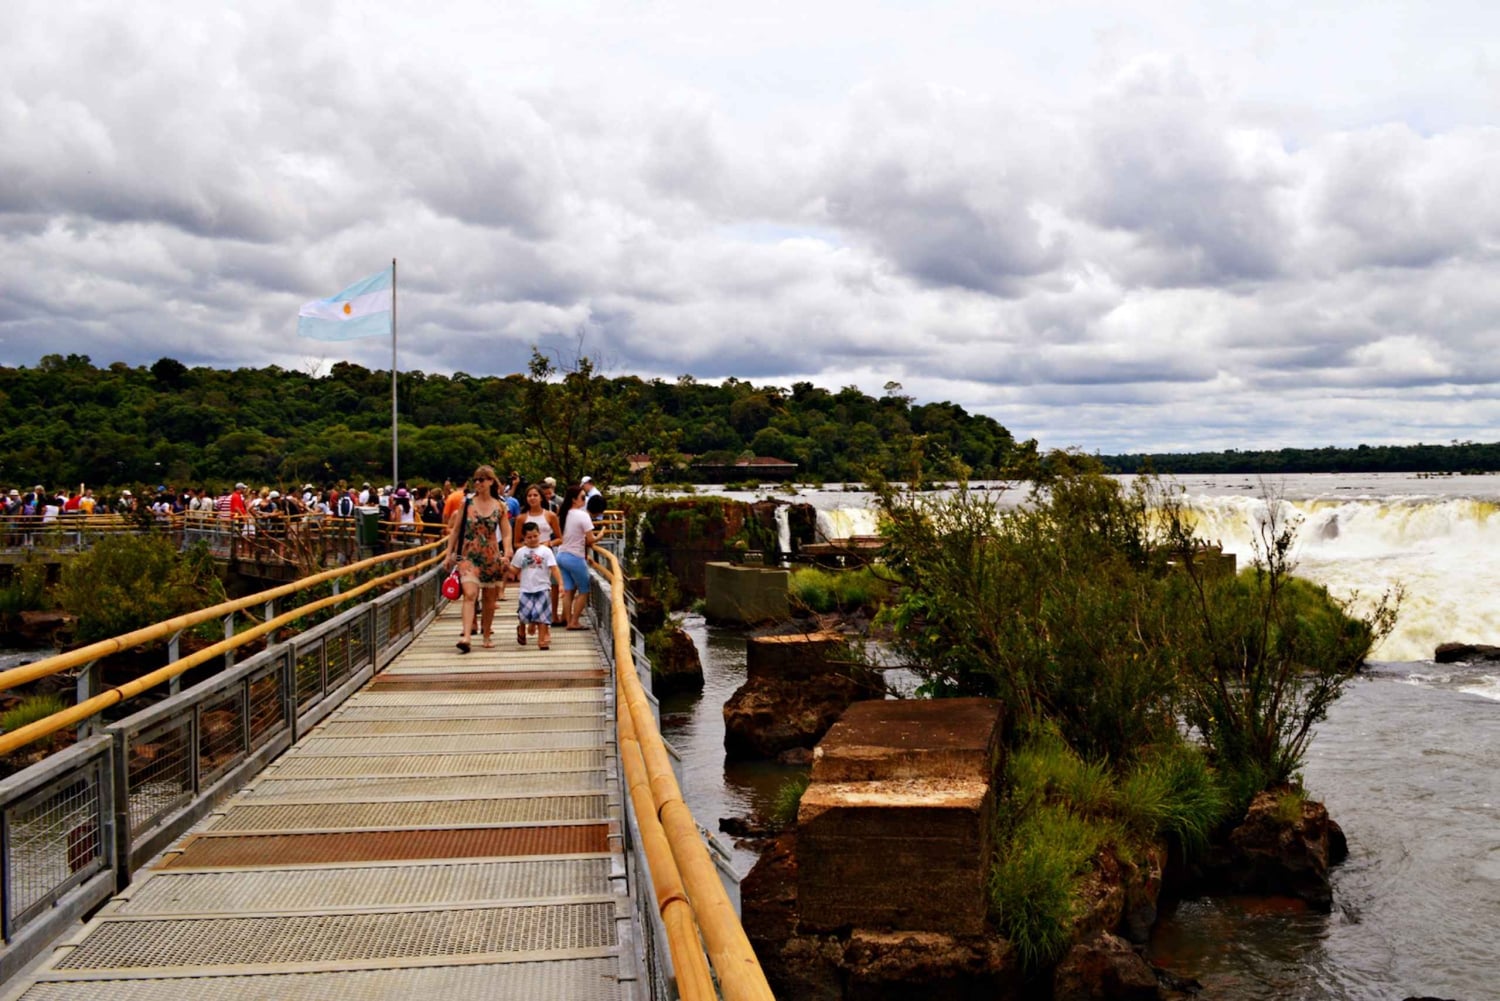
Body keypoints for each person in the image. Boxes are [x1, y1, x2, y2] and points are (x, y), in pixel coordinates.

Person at [443, 465, 512, 653]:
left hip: (491, 557)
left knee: (489, 599)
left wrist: (507, 552)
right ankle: (466, 636)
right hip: (469, 556)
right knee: (470, 594)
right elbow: (456, 530)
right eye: (475, 480)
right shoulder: (467, 503)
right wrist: (449, 554)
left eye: (482, 479)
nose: (478, 483)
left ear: (490, 481)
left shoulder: (500, 506)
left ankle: (486, 634)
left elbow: (506, 532)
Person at [513, 483, 563, 622]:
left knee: (551, 584)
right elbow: (516, 542)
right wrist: (528, 545)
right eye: (529, 496)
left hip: (547, 553)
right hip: (529, 556)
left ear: (541, 497)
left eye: (535, 495)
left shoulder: (550, 515)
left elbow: (560, 538)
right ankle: (527, 616)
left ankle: (552, 614)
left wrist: (548, 544)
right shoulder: (521, 518)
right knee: (531, 583)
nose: (532, 498)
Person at [510, 520, 562, 649]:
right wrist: (505, 567)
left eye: (535, 536)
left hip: (543, 587)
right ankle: (521, 628)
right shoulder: (521, 552)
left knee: (542, 615)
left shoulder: (546, 551)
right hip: (526, 588)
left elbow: (554, 568)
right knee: (525, 614)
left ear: (539, 534)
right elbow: (515, 570)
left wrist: (561, 584)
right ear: (524, 538)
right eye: (529, 537)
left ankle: (542, 640)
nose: (533, 539)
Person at [556, 484, 598, 630]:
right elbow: (590, 539)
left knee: (568, 590)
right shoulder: (582, 515)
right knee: (584, 590)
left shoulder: (563, 514)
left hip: (561, 554)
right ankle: (574, 621)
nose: (584, 500)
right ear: (574, 499)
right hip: (575, 556)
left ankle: (568, 621)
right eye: (582, 497)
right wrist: (600, 535)